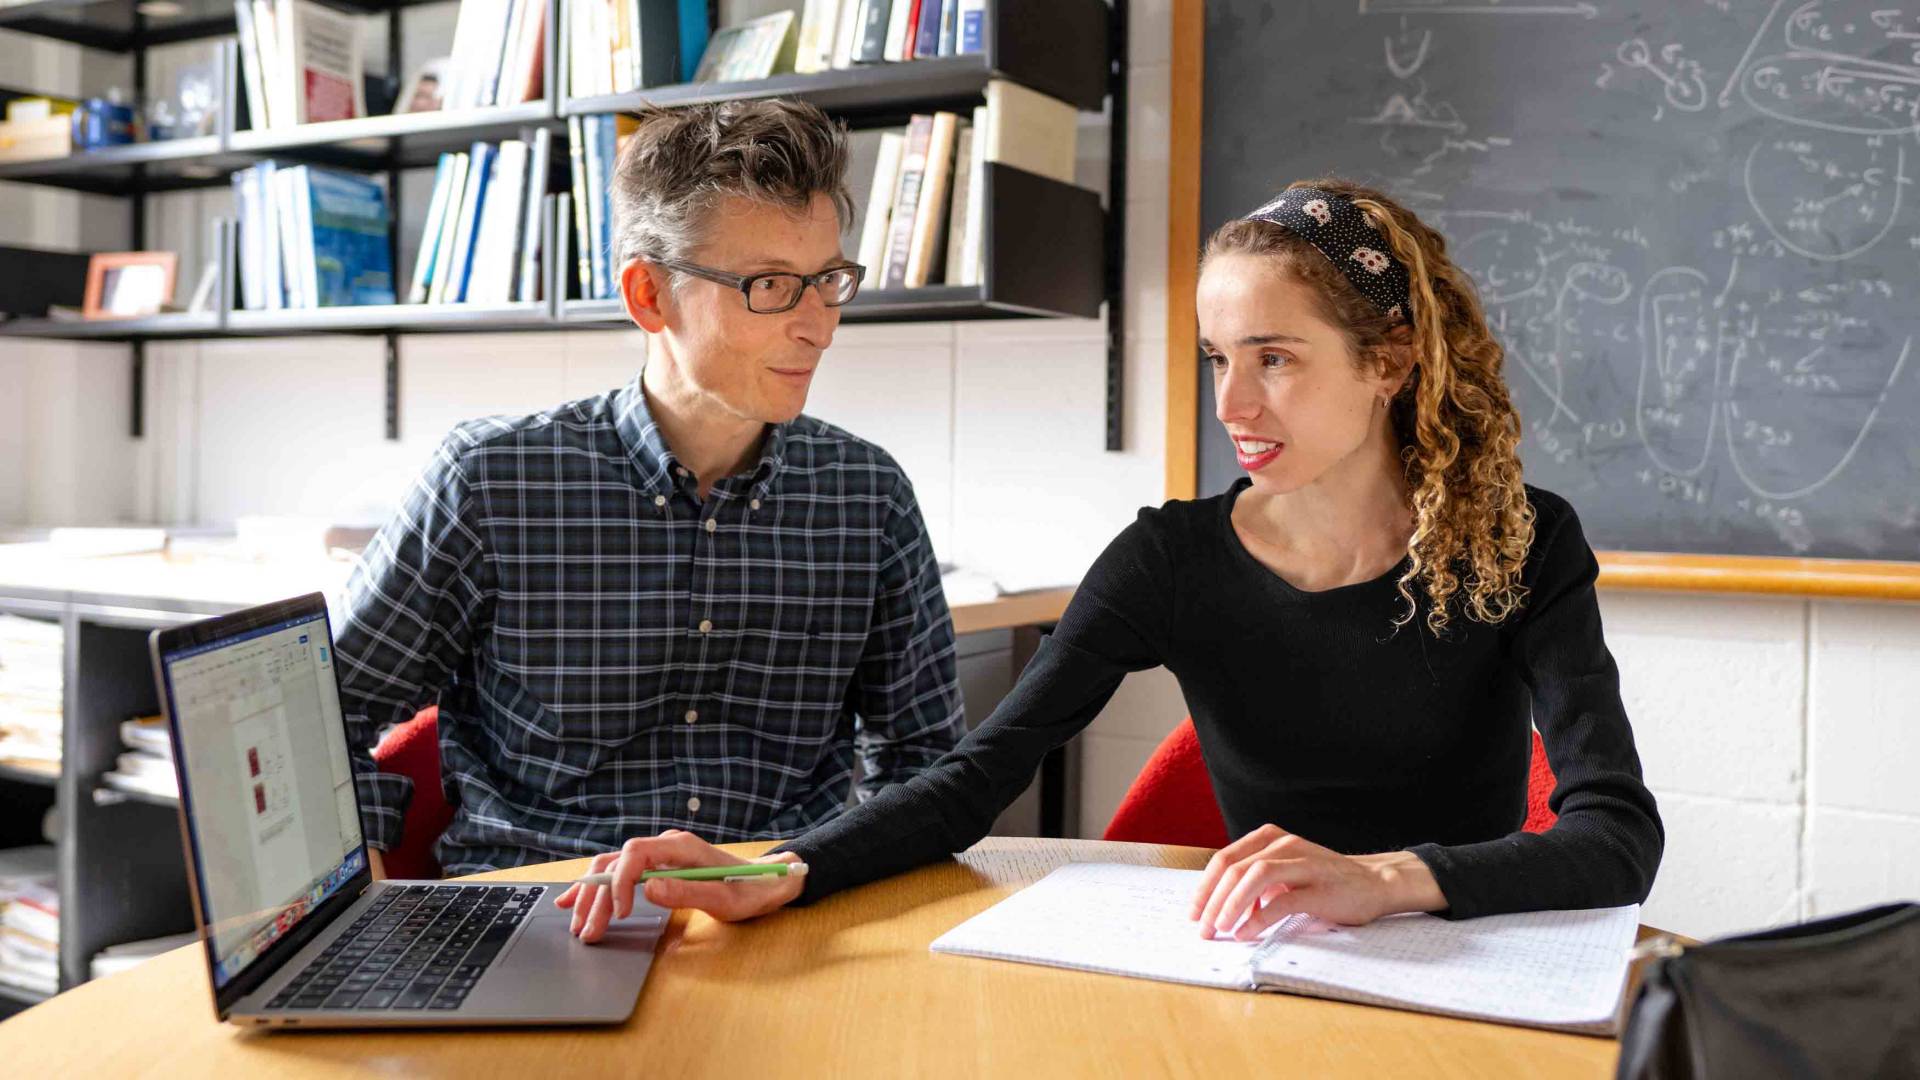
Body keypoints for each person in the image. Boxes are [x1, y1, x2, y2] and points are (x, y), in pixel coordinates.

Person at [556, 178, 1664, 942]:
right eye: (1217, 358)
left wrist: (1384, 883)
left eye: (1274, 359)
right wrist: (785, 867)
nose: (1230, 404)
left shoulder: (1522, 540)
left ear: (1390, 360)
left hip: (1463, 973)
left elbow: (1615, 837)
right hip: (1265, 967)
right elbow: (974, 780)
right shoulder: (1169, 560)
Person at [334, 99, 965, 877]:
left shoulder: (868, 497)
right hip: (541, 906)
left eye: (828, 280)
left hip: (780, 913)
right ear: (648, 297)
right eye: (771, 285)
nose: (819, 326)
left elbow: (928, 763)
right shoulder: (494, 483)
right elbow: (327, 710)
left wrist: (808, 874)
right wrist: (363, 877)